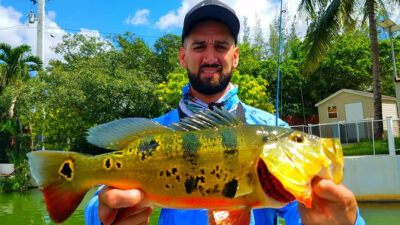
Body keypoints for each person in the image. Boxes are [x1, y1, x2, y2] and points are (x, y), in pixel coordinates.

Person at [85, 1, 365, 224]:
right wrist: (102, 213)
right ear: (183, 56)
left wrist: (344, 222)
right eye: (199, 47)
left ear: (236, 56)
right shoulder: (156, 132)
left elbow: (303, 213)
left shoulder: (271, 128)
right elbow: (99, 202)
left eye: (221, 46)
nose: (210, 57)